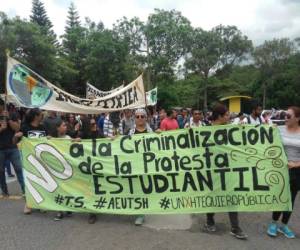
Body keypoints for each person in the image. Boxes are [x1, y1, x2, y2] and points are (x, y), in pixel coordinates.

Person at [204, 104, 247, 239]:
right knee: (212, 195)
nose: (230, 117)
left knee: (231, 197)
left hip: (228, 170)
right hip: (211, 170)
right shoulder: (205, 131)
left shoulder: (231, 130)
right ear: (219, 116)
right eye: (227, 115)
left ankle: (235, 227)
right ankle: (210, 220)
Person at [267, 106, 300, 239]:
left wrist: (296, 164)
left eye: (288, 116)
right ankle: (274, 223)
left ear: (297, 118)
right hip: (280, 170)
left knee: (291, 199)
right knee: (280, 196)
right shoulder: (278, 130)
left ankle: (284, 225)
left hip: (297, 171)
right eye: (284, 115)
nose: (284, 118)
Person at [129, 108, 152, 226]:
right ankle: (139, 212)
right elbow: (124, 145)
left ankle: (142, 213)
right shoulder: (130, 132)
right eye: (137, 116)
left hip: (148, 165)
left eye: (142, 116)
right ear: (134, 118)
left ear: (146, 118)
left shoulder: (151, 132)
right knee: (136, 189)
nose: (140, 119)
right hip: (135, 164)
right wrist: (115, 139)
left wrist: (160, 135)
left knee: (144, 189)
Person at [0, 98, 25, 197]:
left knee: (18, 168)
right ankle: (4, 190)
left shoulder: (11, 114)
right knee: (0, 171)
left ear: (2, 106)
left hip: (12, 147)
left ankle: (25, 190)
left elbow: (18, 129)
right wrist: (1, 128)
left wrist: (9, 119)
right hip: (0, 149)